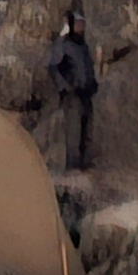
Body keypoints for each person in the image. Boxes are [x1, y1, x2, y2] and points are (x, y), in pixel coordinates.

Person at [45, 9, 98, 173]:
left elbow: (87, 67)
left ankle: (83, 163)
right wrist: (65, 88)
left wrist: (93, 83)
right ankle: (72, 166)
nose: (81, 27)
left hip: (86, 93)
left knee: (86, 129)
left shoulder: (83, 46)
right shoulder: (63, 45)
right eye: (78, 24)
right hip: (72, 94)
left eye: (83, 24)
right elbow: (53, 67)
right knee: (73, 130)